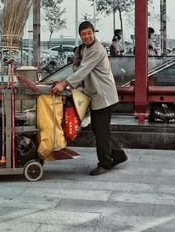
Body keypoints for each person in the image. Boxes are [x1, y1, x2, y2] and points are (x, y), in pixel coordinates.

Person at [52, 21, 128, 176]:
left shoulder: (96, 49)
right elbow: (77, 68)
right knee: (100, 129)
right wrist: (65, 80)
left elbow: (83, 70)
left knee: (101, 130)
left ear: (94, 33)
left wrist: (65, 84)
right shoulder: (84, 49)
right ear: (80, 36)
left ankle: (105, 163)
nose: (86, 36)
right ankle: (118, 155)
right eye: (83, 34)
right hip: (97, 95)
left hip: (103, 96)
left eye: (89, 33)